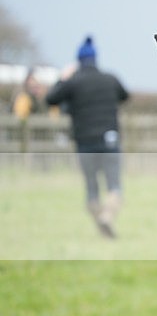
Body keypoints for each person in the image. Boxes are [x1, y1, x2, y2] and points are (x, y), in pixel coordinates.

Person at [46, 36, 129, 238]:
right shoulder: (110, 79)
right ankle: (107, 217)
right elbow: (125, 96)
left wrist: (63, 78)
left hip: (85, 142)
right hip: (109, 139)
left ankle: (100, 219)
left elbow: (50, 99)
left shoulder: (73, 82)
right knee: (114, 184)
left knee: (92, 186)